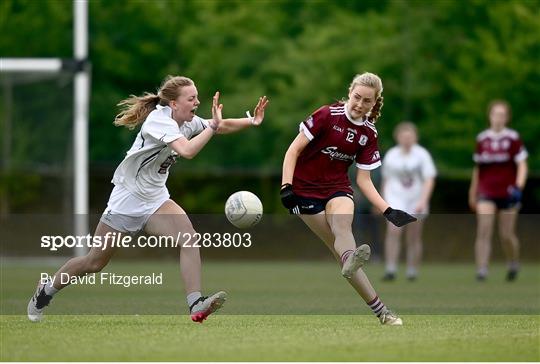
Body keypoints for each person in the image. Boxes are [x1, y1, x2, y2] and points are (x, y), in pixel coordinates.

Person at [27, 75, 269, 322]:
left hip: (156, 200)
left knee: (189, 238)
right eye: (191, 98)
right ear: (174, 104)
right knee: (94, 262)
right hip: (127, 199)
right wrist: (213, 127)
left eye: (197, 97)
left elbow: (219, 125)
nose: (197, 102)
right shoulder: (158, 121)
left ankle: (195, 303)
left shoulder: (186, 121)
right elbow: (187, 151)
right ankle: (45, 290)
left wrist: (252, 120)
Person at [280, 72, 416, 326]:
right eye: (357, 97)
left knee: (342, 228)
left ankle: (352, 266)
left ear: (374, 103)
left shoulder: (369, 133)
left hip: (337, 188)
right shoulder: (326, 115)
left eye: (367, 101)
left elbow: (364, 180)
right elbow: (293, 150)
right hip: (304, 191)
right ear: (350, 92)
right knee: (338, 247)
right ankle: (382, 311)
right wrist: (286, 186)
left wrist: (387, 210)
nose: (360, 104)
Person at [468, 100, 528, 282]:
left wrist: (518, 186)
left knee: (506, 234)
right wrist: (473, 191)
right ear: (490, 116)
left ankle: (513, 262)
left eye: (502, 115)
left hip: (508, 192)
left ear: (507, 118)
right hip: (487, 192)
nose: (498, 118)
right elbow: (478, 169)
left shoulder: (513, 138)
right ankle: (482, 270)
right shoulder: (482, 139)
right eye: (495, 114)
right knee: (484, 230)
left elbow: (522, 165)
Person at [380, 122, 436, 281]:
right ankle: (390, 269)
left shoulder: (422, 155)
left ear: (415, 137)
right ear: (397, 137)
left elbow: (429, 179)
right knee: (393, 231)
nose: (406, 139)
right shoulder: (391, 154)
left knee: (413, 236)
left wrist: (423, 200)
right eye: (403, 136)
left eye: (409, 136)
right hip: (395, 198)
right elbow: (386, 179)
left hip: (416, 198)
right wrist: (383, 202)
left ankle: (412, 270)